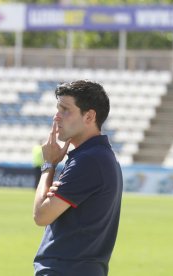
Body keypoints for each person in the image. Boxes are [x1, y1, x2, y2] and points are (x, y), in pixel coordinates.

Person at [33, 80, 123, 276]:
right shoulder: (97, 156)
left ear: (89, 116)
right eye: (58, 109)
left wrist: (48, 165)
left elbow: (41, 215)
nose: (57, 117)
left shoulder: (90, 160)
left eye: (65, 110)